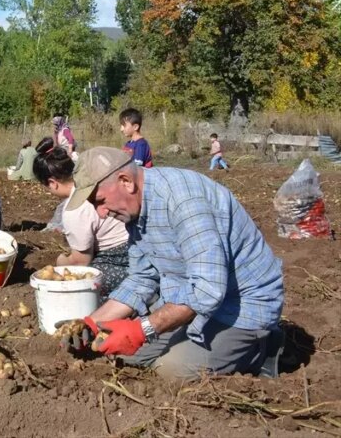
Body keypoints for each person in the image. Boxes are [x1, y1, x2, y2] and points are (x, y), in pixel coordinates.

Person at [60, 147, 284, 380]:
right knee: (125, 355)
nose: (101, 213)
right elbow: (141, 278)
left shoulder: (183, 201)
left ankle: (262, 348)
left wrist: (141, 330)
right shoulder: (135, 210)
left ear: (126, 181)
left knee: (170, 370)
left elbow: (207, 288)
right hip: (191, 301)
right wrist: (92, 323)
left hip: (240, 307)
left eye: (100, 201)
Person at [31, 137, 129, 298]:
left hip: (119, 259)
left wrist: (61, 262)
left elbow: (81, 262)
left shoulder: (74, 209)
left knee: (82, 289)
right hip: (136, 245)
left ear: (52, 182)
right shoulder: (93, 183)